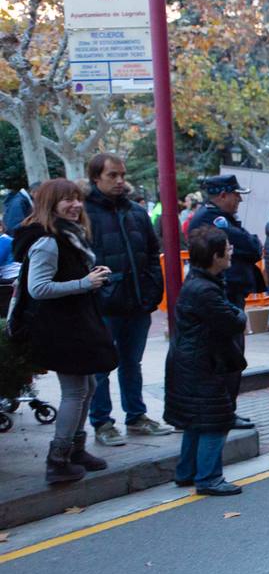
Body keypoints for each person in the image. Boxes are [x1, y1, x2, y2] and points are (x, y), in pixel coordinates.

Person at [7, 179, 118, 484]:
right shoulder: (48, 239)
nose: (76, 205)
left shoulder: (69, 234)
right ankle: (57, 461)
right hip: (59, 327)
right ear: (49, 204)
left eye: (77, 199)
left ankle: (74, 451)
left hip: (75, 321)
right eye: (67, 200)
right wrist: (85, 283)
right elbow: (38, 288)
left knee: (89, 387)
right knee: (76, 391)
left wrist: (90, 278)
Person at [83, 152, 171, 446]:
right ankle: (102, 422)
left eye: (122, 174)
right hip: (102, 305)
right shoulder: (83, 213)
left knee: (132, 362)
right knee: (101, 366)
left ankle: (136, 416)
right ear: (96, 178)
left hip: (137, 302)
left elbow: (150, 253)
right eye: (112, 175)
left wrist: (151, 292)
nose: (120, 181)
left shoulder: (136, 212)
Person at [163, 226, 247, 496]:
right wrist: (240, 316)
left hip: (191, 361)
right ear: (215, 256)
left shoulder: (201, 282)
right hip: (201, 364)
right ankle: (209, 478)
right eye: (227, 248)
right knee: (215, 420)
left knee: (196, 420)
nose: (231, 251)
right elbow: (233, 321)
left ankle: (186, 472)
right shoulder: (204, 290)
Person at [187, 175, 262, 309]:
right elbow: (251, 246)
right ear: (223, 195)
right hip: (224, 288)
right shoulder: (211, 218)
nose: (240, 199)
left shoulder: (215, 216)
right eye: (236, 195)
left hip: (225, 287)